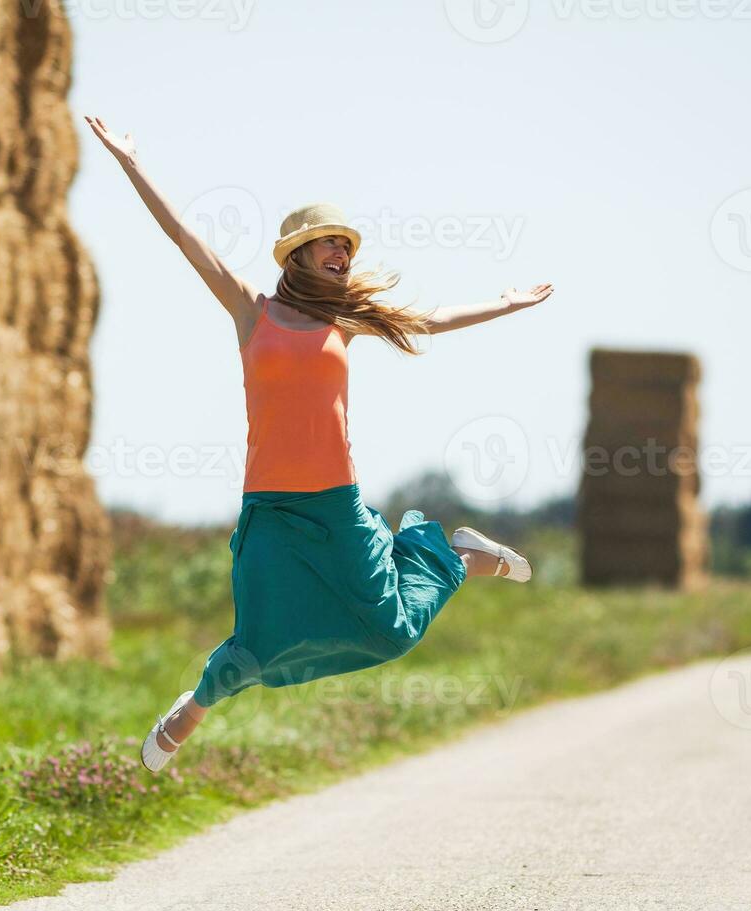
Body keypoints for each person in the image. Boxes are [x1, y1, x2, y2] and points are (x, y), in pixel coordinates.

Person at [82, 117, 555, 773]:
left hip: (337, 506)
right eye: (327, 243)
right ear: (296, 254)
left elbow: (430, 320)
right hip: (271, 512)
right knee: (260, 641)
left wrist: (502, 304)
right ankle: (189, 712)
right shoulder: (252, 311)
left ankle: (460, 558)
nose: (340, 252)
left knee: (389, 634)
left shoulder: (346, 321)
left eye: (346, 245)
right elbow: (186, 240)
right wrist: (133, 164)